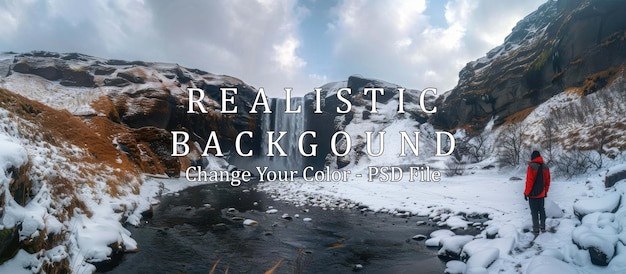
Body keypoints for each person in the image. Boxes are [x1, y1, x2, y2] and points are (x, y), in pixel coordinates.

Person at [524, 150, 551, 235]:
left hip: (533, 195)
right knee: (542, 210)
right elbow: (547, 181)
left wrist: (526, 193)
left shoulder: (531, 167)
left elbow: (529, 182)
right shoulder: (545, 167)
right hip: (542, 194)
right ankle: (543, 227)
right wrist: (545, 191)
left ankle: (536, 229)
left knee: (534, 212)